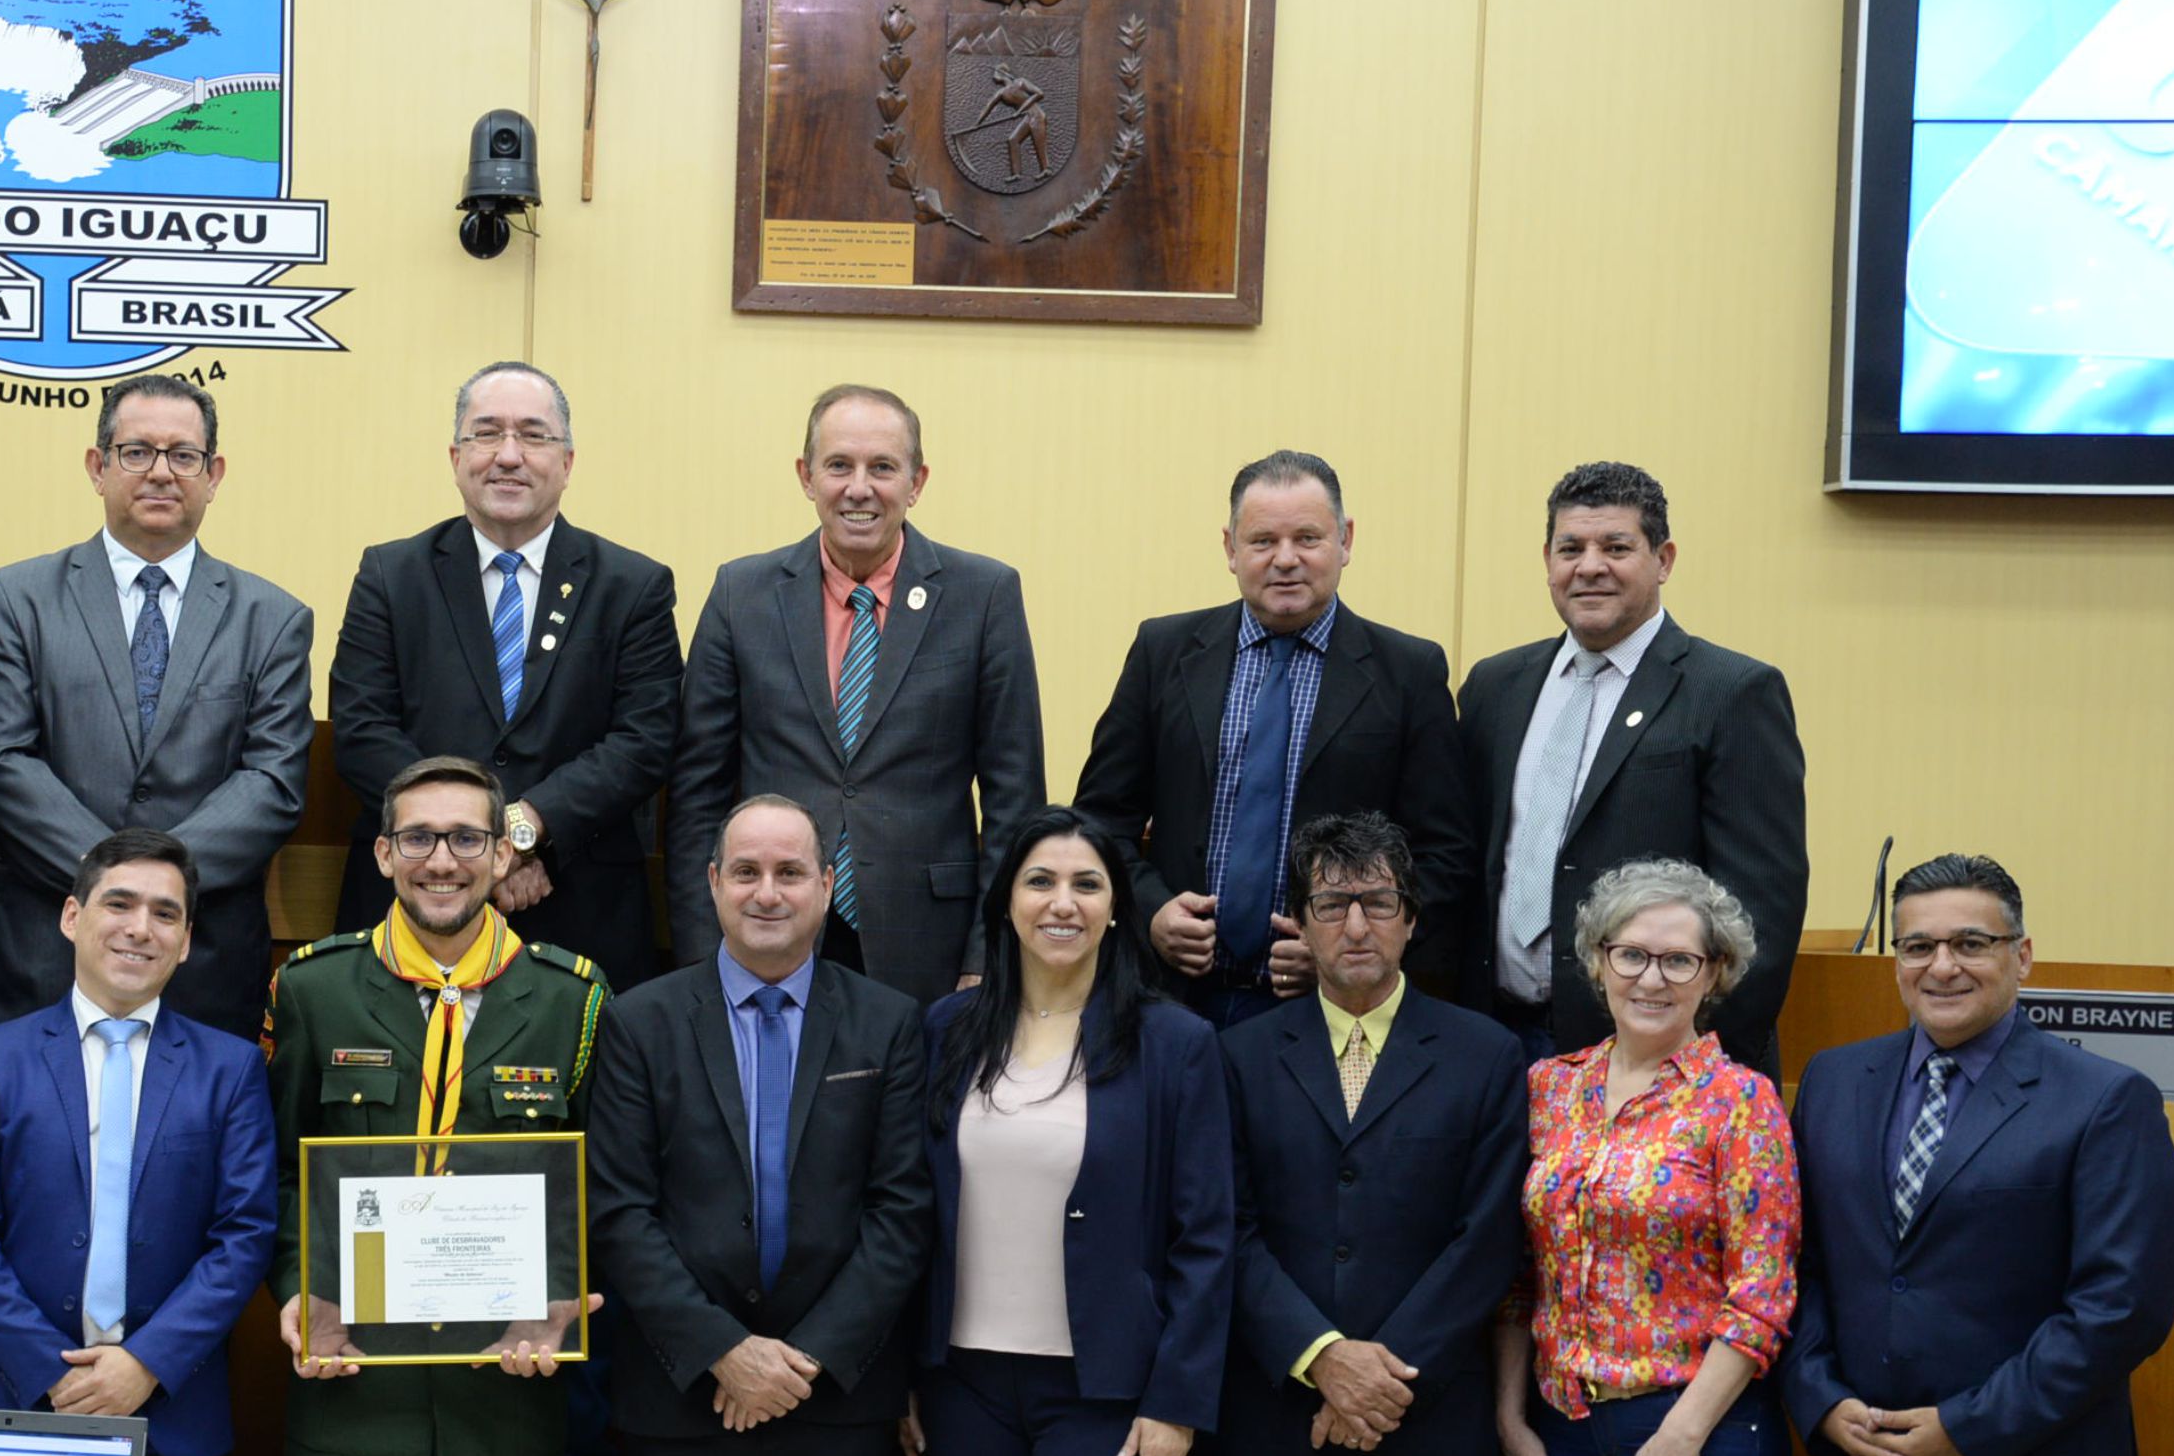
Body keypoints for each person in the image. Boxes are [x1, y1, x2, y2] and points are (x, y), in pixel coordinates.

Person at [1783, 855, 2174, 1456]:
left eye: (1971, 942)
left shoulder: (2106, 1099)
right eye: (1917, 946)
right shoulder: (1831, 1080)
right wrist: (1821, 1402)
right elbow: (1797, 1266)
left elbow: (2121, 1307)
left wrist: (1964, 1429)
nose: (1942, 966)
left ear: (2024, 954)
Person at [0, 829, 276, 1456]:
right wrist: (57, 1376)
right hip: (24, 1409)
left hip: (171, 1424)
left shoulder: (229, 1069)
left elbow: (245, 1236)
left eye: (165, 914)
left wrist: (143, 1366)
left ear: (186, 942)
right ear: (71, 916)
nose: (139, 928)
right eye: (118, 904)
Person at [267, 757, 610, 1456]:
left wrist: (559, 1298)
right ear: (384, 854)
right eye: (418, 837)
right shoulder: (314, 989)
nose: (443, 861)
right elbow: (282, 1170)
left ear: (502, 855)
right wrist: (299, 1286)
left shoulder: (576, 1000)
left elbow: (597, 1188)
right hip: (352, 1390)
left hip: (504, 1396)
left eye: (466, 838)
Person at [907, 806, 1230, 1456]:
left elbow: (1206, 1238)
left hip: (1109, 1400)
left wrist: (1176, 1405)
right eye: (1040, 881)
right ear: (1006, 902)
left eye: (1087, 884)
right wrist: (906, 1376)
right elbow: (913, 1212)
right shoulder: (946, 1032)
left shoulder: (1175, 1043)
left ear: (1117, 906)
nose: (1063, 902)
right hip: (964, 1387)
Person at [585, 796, 934, 1456]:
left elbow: (902, 1211)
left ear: (826, 884)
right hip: (684, 1398)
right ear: (712, 883)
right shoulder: (640, 1021)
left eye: (789, 872)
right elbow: (618, 1211)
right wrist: (727, 1351)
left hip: (834, 1400)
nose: (767, 892)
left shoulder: (889, 1022)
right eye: (746, 871)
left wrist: (801, 1361)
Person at [0, 373, 315, 1041]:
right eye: (137, 452)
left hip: (203, 964)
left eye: (183, 455)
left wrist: (161, 891)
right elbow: (2, 762)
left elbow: (272, 781)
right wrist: (113, 885)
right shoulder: (19, 599)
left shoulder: (272, 618)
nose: (161, 472)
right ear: (98, 467)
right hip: (44, 954)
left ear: (213, 475)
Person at [670, 383, 1045, 1003]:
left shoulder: (985, 596)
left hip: (930, 942)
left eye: (883, 468)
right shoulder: (742, 594)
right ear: (806, 476)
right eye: (839, 465)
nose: (859, 488)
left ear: (917, 481)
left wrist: (991, 953)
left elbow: (1015, 796)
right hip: (768, 930)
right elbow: (696, 792)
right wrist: (697, 954)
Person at [1073, 448, 1471, 1025]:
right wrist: (1151, 910)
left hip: (1329, 1013)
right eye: (1262, 542)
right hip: (1168, 1001)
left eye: (1307, 538)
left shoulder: (1408, 672)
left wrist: (1350, 948)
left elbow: (1445, 856)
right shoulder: (1163, 653)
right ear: (1231, 549)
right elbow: (1099, 820)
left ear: (1346, 541)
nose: (1286, 560)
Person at [326, 362, 682, 990]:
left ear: (567, 460)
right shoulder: (390, 575)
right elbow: (361, 730)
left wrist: (527, 832)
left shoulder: (634, 586)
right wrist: (470, 845)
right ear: (456, 455)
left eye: (534, 435)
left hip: (579, 903)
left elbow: (644, 741)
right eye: (487, 433)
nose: (508, 456)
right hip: (414, 903)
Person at [1213, 811, 1527, 1456]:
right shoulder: (1239, 1057)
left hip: (1426, 1421)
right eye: (1331, 905)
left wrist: (1377, 1385)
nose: (1357, 928)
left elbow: (1488, 1242)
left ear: (1411, 918)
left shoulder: (1486, 1056)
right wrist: (1323, 1359)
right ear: (1299, 921)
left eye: (1379, 903)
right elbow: (1226, 1229)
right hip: (1280, 1424)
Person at [1457, 461, 1806, 1074]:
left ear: (1664, 559)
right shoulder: (1495, 685)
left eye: (1616, 547)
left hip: (1657, 1065)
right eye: (1571, 548)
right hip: (1495, 1048)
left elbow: (1761, 912)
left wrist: (1691, 1065)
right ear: (1547, 561)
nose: (1590, 566)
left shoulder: (1733, 692)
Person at [1495, 858, 1799, 1456]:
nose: (1651, 979)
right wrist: (1509, 1420)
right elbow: (1522, 1275)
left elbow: (1763, 1296)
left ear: (1715, 971)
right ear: (1599, 963)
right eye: (1630, 955)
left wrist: (1681, 1437)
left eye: (1679, 961)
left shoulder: (1740, 1101)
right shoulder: (1549, 1087)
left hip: (1702, 1431)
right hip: (1562, 1436)